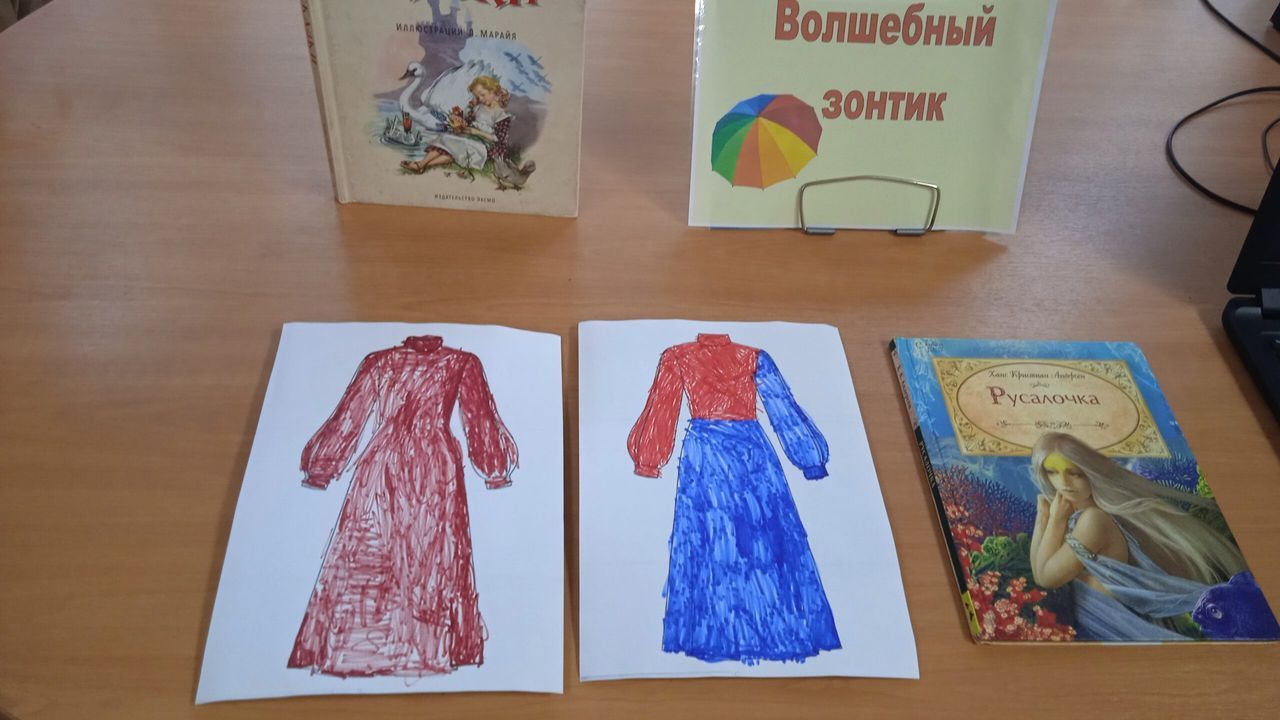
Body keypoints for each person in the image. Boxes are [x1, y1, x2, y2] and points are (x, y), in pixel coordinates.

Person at [1028, 432, 1246, 641]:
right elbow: (1039, 570)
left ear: (1091, 472)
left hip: (1117, 623)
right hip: (1103, 618)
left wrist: (1051, 520)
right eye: (1052, 472)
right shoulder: (1079, 516)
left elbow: (1044, 578)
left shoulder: (1093, 520)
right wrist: (1044, 516)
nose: (1063, 482)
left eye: (1075, 473)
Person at [401, 76, 513, 174]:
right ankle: (421, 165)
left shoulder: (501, 115)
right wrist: (459, 124)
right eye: (478, 97)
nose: (480, 99)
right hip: (470, 139)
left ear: (493, 91)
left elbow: (499, 139)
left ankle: (421, 164)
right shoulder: (478, 108)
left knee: (453, 145)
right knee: (447, 141)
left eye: (482, 95)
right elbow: (468, 123)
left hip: (484, 146)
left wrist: (475, 131)